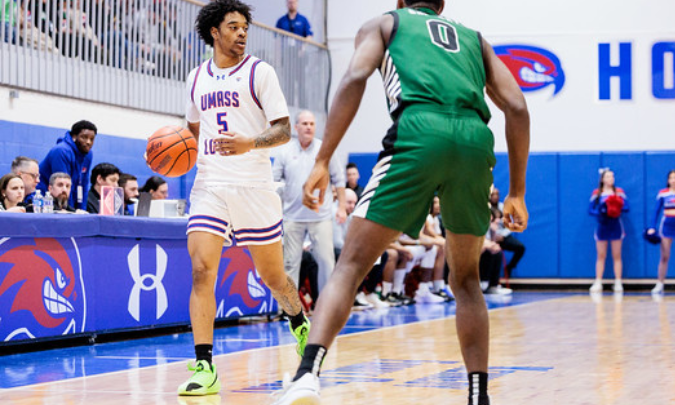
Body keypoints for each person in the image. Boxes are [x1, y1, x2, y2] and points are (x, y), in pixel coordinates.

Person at [270, 1, 530, 404]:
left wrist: (323, 159)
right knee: (465, 280)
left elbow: (356, 75)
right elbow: (516, 106)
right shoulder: (475, 40)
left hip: (419, 131)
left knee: (351, 265)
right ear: (441, 5)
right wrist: (517, 193)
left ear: (400, 2)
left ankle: (306, 375)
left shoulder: (386, 23)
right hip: (476, 141)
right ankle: (479, 396)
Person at [178, 0, 309, 396]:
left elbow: (283, 130)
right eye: (233, 26)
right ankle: (205, 365)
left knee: (273, 277)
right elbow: (192, 132)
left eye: (244, 28)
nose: (241, 33)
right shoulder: (195, 78)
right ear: (214, 32)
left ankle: (299, 321)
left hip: (254, 185)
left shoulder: (259, 73)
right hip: (210, 185)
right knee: (202, 270)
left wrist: (250, 142)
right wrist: (176, 153)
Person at [272, 110, 347, 295]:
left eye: (312, 124)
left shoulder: (325, 149)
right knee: (290, 263)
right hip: (292, 216)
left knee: (326, 262)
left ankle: (325, 304)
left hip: (320, 216)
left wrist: (343, 208)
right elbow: (274, 182)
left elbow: (339, 180)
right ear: (296, 128)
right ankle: (289, 310)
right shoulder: (284, 152)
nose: (309, 127)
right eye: (305, 124)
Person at [38, 120, 97, 211]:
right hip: (45, 197)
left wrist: (82, 211)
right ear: (74, 137)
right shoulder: (61, 151)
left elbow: (84, 185)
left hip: (66, 199)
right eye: (84, 137)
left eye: (92, 139)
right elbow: (62, 186)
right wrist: (72, 212)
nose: (88, 142)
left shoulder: (88, 155)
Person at [588, 169, 629, 293]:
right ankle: (598, 281)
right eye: (608, 176)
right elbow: (590, 210)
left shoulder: (619, 192)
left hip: (616, 225)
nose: (611, 179)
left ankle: (618, 282)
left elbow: (627, 207)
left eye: (612, 176)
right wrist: (602, 211)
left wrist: (616, 208)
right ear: (602, 179)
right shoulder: (597, 193)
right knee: (601, 255)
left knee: (617, 255)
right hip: (602, 225)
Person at [489, 188, 526, 280]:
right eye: (493, 194)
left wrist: (502, 236)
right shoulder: (485, 208)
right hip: (489, 238)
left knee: (520, 247)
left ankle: (510, 267)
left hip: (502, 237)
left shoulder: (503, 207)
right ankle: (488, 279)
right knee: (492, 253)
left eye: (497, 194)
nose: (495, 197)